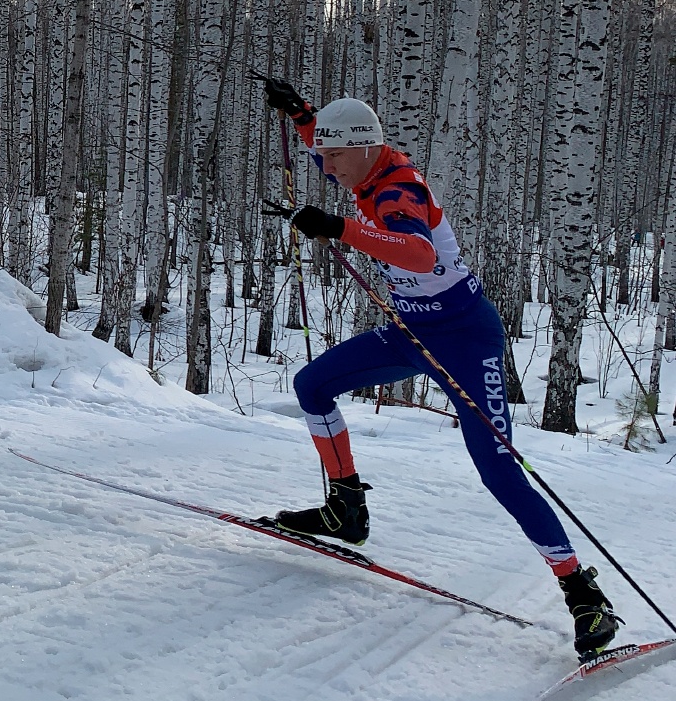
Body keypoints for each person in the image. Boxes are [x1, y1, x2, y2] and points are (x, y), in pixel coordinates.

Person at [260, 78, 621, 659]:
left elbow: (418, 253)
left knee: (499, 472)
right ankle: (345, 507)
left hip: (465, 341)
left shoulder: (396, 190)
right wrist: (302, 114)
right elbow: (332, 149)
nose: (323, 166)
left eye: (330, 156)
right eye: (319, 153)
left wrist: (338, 228)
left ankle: (581, 591)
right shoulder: (364, 163)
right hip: (410, 333)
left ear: (362, 149)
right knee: (312, 386)